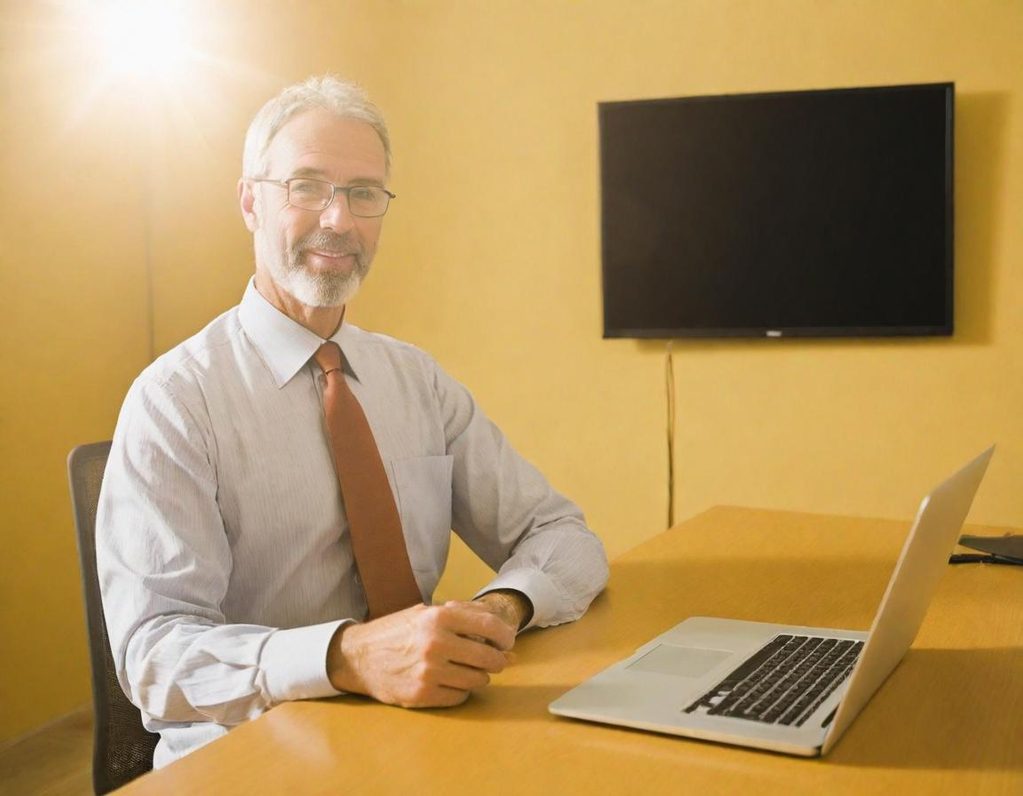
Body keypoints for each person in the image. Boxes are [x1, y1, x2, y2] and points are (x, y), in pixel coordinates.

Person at [96, 74, 608, 768]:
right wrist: (342, 656)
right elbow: (155, 657)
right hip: (249, 756)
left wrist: (500, 609)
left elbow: (560, 535)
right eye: (305, 186)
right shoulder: (175, 402)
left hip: (419, 737)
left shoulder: (416, 381)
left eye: (363, 193)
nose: (338, 220)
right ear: (250, 202)